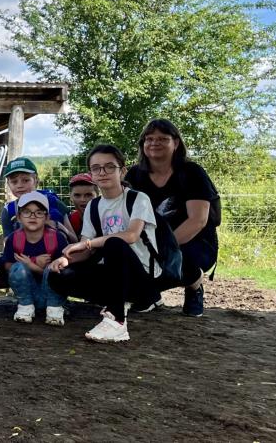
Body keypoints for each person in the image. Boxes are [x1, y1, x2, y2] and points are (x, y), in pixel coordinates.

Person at [47, 144, 161, 343]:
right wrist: (66, 259)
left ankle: (117, 321)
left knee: (114, 243)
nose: (102, 172)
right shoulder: (93, 205)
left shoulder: (138, 198)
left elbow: (131, 235)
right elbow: (86, 249)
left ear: (122, 171)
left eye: (109, 166)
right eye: (96, 168)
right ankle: (114, 301)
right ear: (91, 175)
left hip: (141, 276)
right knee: (58, 276)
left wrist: (88, 243)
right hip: (111, 274)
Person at [124, 119, 221, 317]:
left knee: (180, 263)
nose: (154, 143)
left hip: (195, 242)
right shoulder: (134, 175)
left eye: (162, 138)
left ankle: (194, 285)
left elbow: (198, 220)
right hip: (149, 242)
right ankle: (149, 295)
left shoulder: (192, 173)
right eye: (149, 139)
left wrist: (162, 247)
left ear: (175, 143)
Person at [0, 191, 68, 325]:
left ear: (47, 217)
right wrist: (34, 262)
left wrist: (32, 265)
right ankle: (25, 307)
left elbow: (64, 270)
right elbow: (8, 266)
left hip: (52, 294)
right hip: (28, 293)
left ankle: (55, 309)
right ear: (19, 217)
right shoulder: (14, 239)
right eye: (27, 212)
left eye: (39, 212)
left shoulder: (57, 238)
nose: (33, 216)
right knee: (17, 268)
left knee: (55, 268)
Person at [1, 157, 78, 241]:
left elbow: (74, 240)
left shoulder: (54, 202)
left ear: (36, 180)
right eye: (14, 182)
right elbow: (8, 244)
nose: (19, 185)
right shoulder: (8, 211)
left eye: (26, 180)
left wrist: (59, 226)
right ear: (8, 184)